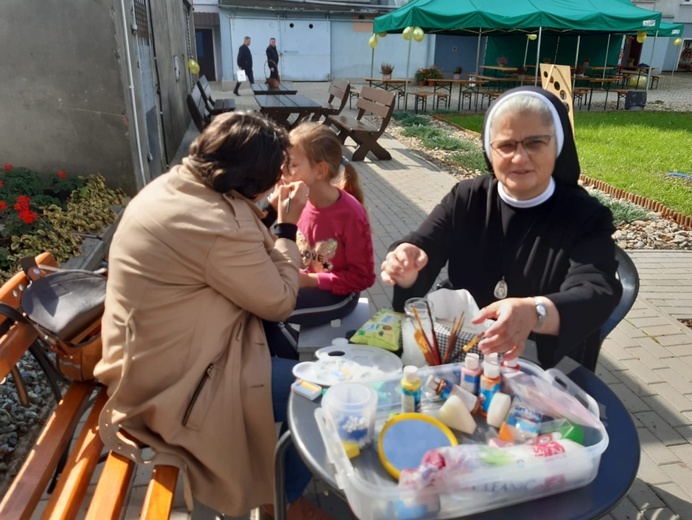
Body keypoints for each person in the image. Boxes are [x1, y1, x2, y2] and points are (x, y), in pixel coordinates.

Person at [94, 112, 330, 519]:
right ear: (249, 179)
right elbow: (279, 301)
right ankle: (283, 501)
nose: (281, 180)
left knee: (301, 379)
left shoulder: (177, 185)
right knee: (316, 395)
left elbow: (246, 253)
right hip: (176, 383)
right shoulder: (215, 224)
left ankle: (280, 492)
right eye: (276, 173)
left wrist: (268, 220)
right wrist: (287, 227)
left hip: (150, 357)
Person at [380, 86, 622, 370]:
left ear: (556, 145)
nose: (519, 158)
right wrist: (406, 263)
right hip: (458, 350)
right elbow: (423, 244)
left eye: (535, 143)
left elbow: (597, 290)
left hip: (537, 364)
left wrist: (535, 312)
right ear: (489, 150)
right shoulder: (467, 197)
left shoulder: (586, 216)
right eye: (506, 146)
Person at [261, 122, 376, 358]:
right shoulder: (298, 199)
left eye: (292, 165)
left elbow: (362, 277)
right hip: (302, 282)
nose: (283, 171)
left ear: (320, 171)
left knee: (271, 316)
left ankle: (309, 371)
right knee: (261, 305)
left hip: (339, 296)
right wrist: (272, 207)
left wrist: (311, 281)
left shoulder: (350, 214)